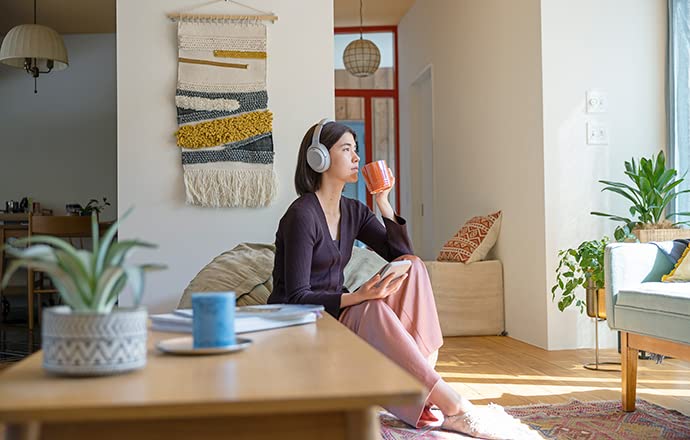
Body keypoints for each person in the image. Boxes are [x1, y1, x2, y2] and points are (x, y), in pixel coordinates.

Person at [267, 119, 533, 439]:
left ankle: (422, 385)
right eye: (347, 149)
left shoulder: (353, 210)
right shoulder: (302, 214)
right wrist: (359, 296)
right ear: (318, 158)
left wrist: (383, 202)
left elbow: (402, 254)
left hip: (339, 311)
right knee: (373, 308)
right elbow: (295, 296)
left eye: (356, 150)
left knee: (413, 265)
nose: (356, 158)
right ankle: (454, 407)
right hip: (302, 318)